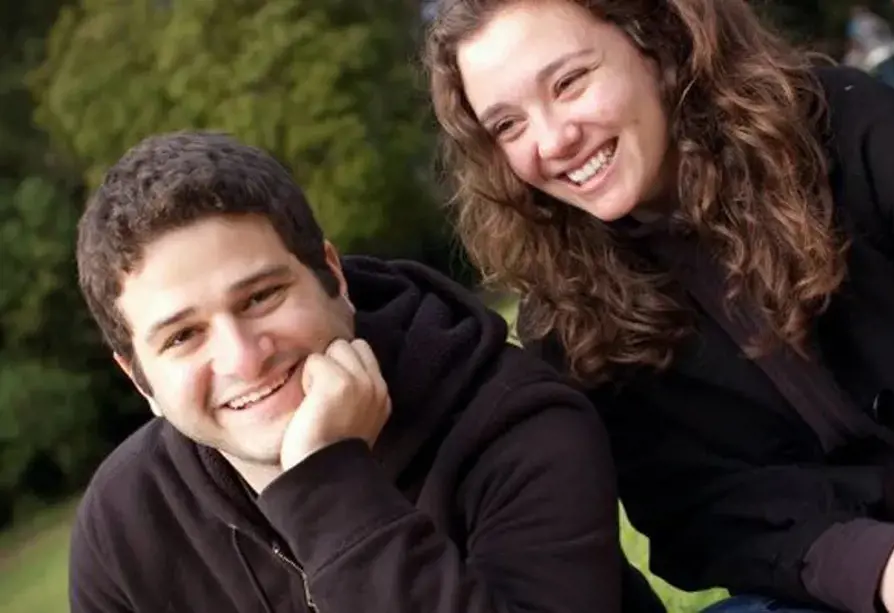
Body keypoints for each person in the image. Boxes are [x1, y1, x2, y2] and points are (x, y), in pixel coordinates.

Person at [425, 1, 894, 612]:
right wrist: (883, 567)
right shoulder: (567, 318)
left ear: (654, 46)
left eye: (569, 81)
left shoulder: (851, 128)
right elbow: (694, 511)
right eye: (507, 125)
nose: (553, 141)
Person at [68, 130, 630, 613]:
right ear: (140, 380)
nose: (243, 357)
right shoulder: (124, 527)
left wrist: (330, 486)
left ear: (332, 277)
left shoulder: (521, 424)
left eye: (261, 297)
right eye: (183, 336)